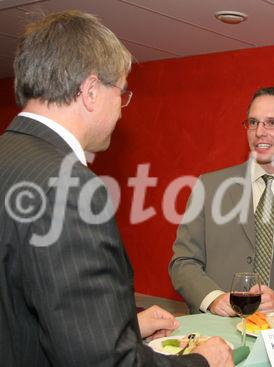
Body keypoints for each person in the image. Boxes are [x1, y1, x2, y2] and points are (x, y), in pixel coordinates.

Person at [0, 11, 232, 367]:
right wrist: (203, 362)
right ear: (91, 90)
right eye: (121, 93)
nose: (122, 111)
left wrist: (125, 325)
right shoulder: (70, 187)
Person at [169, 87, 274, 315]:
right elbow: (183, 263)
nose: (259, 131)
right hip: (216, 331)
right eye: (253, 122)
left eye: (271, 122)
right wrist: (214, 299)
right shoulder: (209, 187)